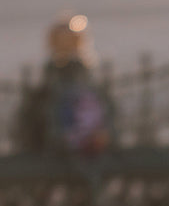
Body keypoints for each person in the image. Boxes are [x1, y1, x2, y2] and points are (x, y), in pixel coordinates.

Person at [18, 16, 116, 155]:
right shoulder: (45, 92)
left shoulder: (90, 89)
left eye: (70, 41)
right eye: (61, 41)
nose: (66, 46)